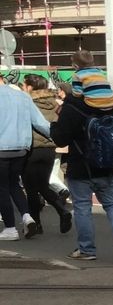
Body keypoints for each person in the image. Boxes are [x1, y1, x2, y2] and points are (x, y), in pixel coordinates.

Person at [50, 55, 113, 261]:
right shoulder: (111, 106)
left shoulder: (73, 107)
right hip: (108, 165)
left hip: (81, 165)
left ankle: (87, 250)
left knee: (82, 207)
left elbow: (60, 138)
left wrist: (55, 124)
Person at [0, 72, 52, 240]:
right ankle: (27, 217)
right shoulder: (23, 96)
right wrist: (57, 136)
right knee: (14, 184)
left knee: (2, 188)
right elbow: (39, 122)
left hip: (1, 148)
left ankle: (10, 228)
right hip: (21, 148)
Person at [20, 74, 70, 237]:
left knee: (31, 188)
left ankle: (37, 224)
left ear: (30, 87)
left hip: (32, 148)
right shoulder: (55, 103)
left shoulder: (28, 103)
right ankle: (62, 211)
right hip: (50, 149)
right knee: (42, 185)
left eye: (24, 85)